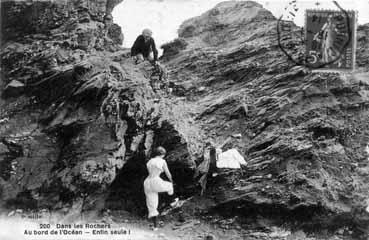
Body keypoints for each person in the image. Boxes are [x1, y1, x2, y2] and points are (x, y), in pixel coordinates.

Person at [143, 146, 175, 230]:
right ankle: (172, 200)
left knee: (152, 205)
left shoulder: (150, 161)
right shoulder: (162, 161)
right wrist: (171, 180)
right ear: (162, 154)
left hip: (147, 182)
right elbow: (168, 174)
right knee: (169, 186)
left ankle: (155, 226)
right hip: (155, 181)